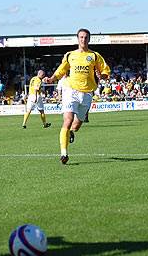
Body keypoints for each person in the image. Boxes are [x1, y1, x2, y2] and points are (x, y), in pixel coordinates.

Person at [43, 28, 110, 165]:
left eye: (85, 37)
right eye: (81, 37)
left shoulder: (95, 56)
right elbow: (61, 69)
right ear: (77, 39)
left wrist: (102, 76)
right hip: (70, 91)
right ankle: (64, 153)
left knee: (77, 125)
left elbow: (105, 71)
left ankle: (72, 132)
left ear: (89, 39)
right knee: (67, 120)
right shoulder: (70, 55)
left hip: (86, 94)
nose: (83, 39)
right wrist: (51, 79)